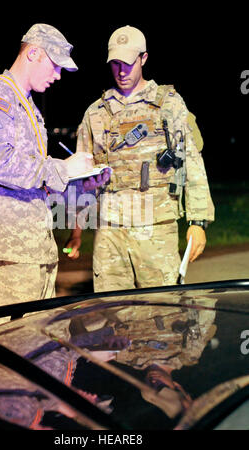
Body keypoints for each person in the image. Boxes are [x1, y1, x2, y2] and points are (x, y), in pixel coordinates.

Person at [0, 23, 106, 330]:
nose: (57, 76)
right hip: (7, 258)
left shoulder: (29, 108)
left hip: (37, 253)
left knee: (39, 358)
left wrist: (78, 184)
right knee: (4, 363)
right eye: (55, 66)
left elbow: (34, 184)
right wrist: (63, 168)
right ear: (33, 53)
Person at [65, 25, 215, 292]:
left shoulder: (169, 104)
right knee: (113, 318)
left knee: (162, 316)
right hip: (110, 231)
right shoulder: (96, 113)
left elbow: (192, 160)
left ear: (143, 58)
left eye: (128, 63)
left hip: (156, 228)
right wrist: (76, 232)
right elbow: (81, 177)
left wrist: (198, 222)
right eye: (115, 64)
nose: (121, 71)